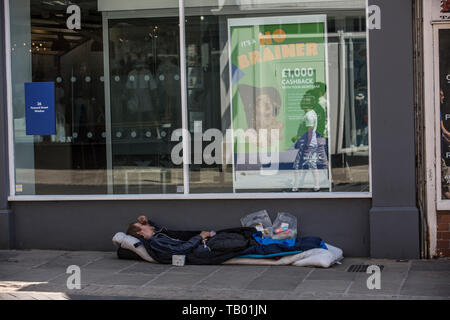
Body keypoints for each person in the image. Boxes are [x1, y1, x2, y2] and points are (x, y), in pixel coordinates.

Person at [126, 215, 213, 256]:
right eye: (142, 224)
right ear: (139, 233)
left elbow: (156, 229)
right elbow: (180, 250)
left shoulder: (157, 235)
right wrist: (200, 237)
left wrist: (146, 222)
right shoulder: (156, 242)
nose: (145, 223)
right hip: (205, 248)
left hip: (201, 243)